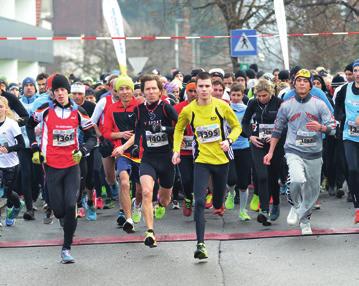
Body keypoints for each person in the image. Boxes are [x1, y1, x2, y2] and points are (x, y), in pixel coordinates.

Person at [26, 74, 97, 263]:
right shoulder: (45, 110)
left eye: (63, 90)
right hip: (51, 165)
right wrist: (34, 147)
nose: (59, 93)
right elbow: (29, 125)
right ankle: (63, 219)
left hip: (72, 165)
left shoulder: (79, 111)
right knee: (58, 210)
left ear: (68, 92)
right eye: (56, 90)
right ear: (52, 92)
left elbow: (92, 137)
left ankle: (66, 248)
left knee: (70, 204)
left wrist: (82, 150)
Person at [172, 72, 241, 259]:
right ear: (195, 89)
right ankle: (200, 244)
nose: (203, 90)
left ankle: (219, 202)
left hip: (221, 161)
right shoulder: (189, 110)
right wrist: (176, 150)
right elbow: (178, 129)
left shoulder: (222, 106)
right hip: (201, 161)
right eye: (200, 87)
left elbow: (237, 127)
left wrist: (229, 140)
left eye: (206, 86)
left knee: (217, 201)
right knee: (200, 202)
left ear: (212, 88)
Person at [264, 69, 336, 235]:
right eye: (299, 80)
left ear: (310, 85)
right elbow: (277, 129)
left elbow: (333, 129)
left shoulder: (319, 104)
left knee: (312, 192)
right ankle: (296, 206)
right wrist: (270, 152)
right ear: (294, 84)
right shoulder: (287, 105)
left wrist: (322, 128)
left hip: (315, 153)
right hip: (293, 150)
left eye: (305, 81)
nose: (302, 83)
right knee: (296, 180)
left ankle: (304, 219)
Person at [133, 74, 178, 248]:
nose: (151, 92)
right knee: (146, 192)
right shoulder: (139, 110)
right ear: (143, 92)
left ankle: (161, 204)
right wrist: (136, 145)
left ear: (160, 91)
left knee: (165, 200)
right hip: (149, 158)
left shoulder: (166, 107)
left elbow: (180, 126)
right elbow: (138, 129)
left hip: (166, 158)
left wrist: (163, 128)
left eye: (154, 89)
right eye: (147, 89)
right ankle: (150, 231)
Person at [103, 75, 142, 231]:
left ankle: (137, 204)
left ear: (132, 90)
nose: (125, 92)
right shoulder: (111, 109)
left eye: (127, 88)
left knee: (140, 190)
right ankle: (129, 219)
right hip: (121, 152)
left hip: (140, 152)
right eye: (121, 89)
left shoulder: (140, 106)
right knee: (124, 182)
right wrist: (120, 135)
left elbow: (140, 132)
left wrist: (127, 141)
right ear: (116, 92)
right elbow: (106, 132)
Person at [242, 79, 283, 225]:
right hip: (258, 144)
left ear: (270, 93)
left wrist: (275, 137)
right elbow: (245, 122)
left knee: (273, 176)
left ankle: (276, 204)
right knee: (262, 175)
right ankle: (264, 210)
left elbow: (284, 124)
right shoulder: (253, 103)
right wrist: (250, 136)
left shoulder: (278, 103)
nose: (261, 98)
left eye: (264, 95)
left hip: (275, 145)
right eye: (258, 96)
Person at [334, 59, 359, 223]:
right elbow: (337, 110)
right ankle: (358, 207)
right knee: (353, 170)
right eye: (355, 70)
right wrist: (344, 118)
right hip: (349, 136)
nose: (357, 73)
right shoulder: (344, 90)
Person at [225, 84, 251, 221]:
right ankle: (230, 192)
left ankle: (242, 210)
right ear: (230, 95)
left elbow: (251, 126)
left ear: (242, 95)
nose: (235, 98)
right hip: (229, 148)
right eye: (233, 95)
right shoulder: (226, 109)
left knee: (244, 183)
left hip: (244, 147)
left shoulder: (247, 110)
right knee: (231, 179)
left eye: (238, 95)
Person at [0, 96, 25, 226]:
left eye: (0, 106)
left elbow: (22, 144)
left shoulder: (11, 124)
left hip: (11, 164)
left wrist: (8, 149)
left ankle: (17, 204)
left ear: (5, 108)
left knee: (7, 192)